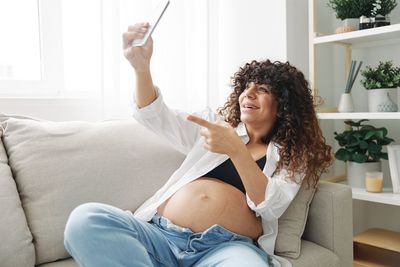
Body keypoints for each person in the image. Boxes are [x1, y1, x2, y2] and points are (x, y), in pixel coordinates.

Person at [63, 22, 333, 267]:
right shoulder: (214, 126)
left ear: (284, 104)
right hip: (160, 235)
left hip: (226, 249)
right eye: (246, 87)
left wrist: (236, 150)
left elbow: (271, 205)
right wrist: (141, 68)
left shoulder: (293, 155)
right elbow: (154, 114)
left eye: (262, 89)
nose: (248, 93)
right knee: (85, 219)